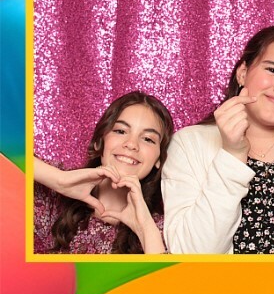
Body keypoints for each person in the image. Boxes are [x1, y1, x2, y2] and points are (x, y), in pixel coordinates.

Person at [162, 25, 274, 255]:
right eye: (272, 70)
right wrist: (232, 154)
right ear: (242, 72)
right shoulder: (189, 144)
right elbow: (192, 254)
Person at [34, 92, 173, 255]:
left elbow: (167, 273)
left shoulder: (165, 229)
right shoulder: (53, 191)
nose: (131, 144)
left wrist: (145, 229)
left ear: (159, 159)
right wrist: (60, 181)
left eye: (148, 139)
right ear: (100, 141)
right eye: (120, 131)